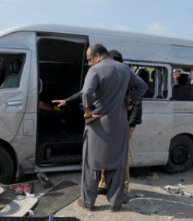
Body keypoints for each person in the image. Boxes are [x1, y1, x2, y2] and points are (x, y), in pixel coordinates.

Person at [54, 43, 147, 211]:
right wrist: (128, 99)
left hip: (97, 125)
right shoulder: (124, 69)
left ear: (98, 56)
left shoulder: (95, 70)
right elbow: (142, 86)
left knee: (91, 164)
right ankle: (115, 203)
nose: (89, 63)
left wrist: (88, 113)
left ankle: (88, 202)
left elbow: (86, 93)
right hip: (119, 126)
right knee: (117, 164)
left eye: (90, 60)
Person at [97, 50, 143, 203]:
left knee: (121, 157)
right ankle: (104, 184)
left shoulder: (127, 76)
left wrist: (131, 127)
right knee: (105, 153)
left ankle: (122, 188)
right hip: (108, 123)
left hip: (124, 123)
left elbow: (137, 104)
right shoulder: (110, 76)